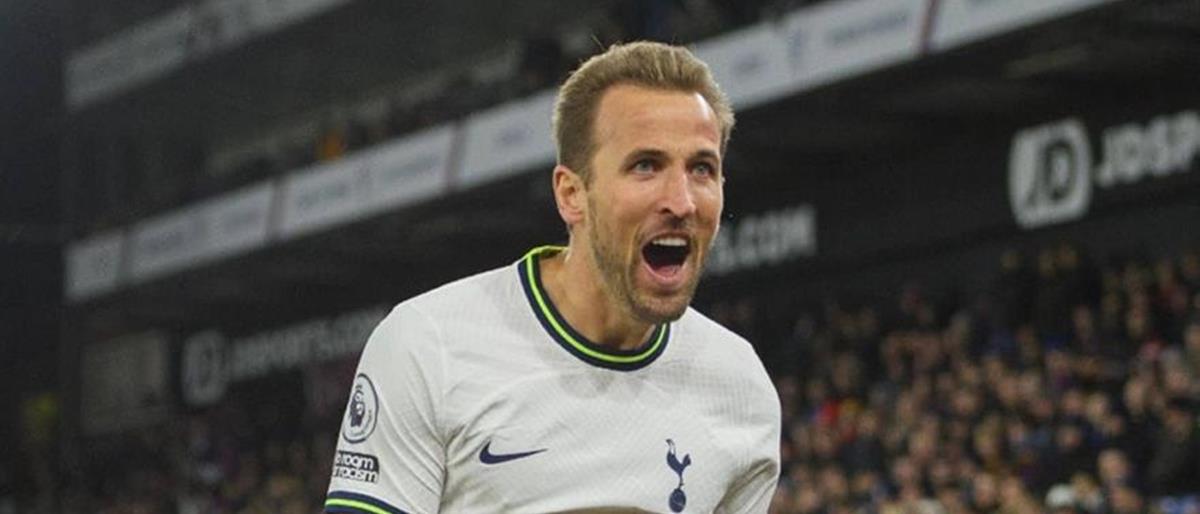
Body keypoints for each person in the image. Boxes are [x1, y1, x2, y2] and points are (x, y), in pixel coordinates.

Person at [324, 41, 781, 514]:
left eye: (702, 168)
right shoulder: (428, 344)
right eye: (645, 166)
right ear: (571, 195)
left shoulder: (741, 388)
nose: (681, 201)